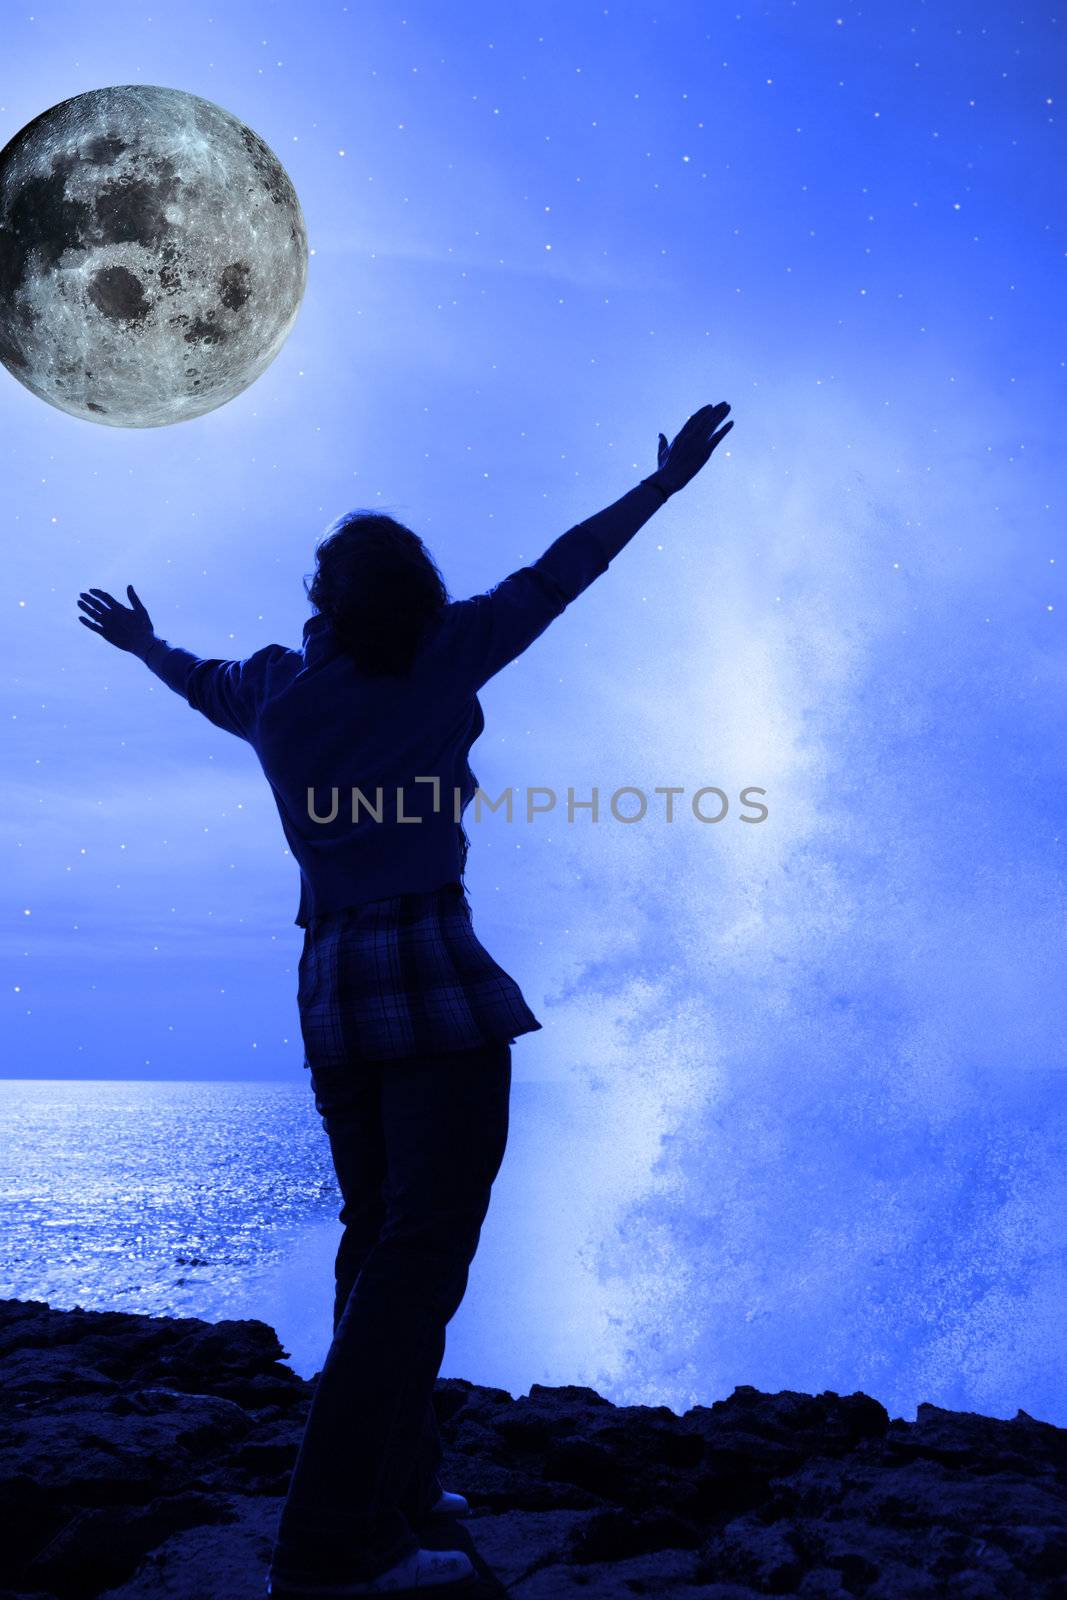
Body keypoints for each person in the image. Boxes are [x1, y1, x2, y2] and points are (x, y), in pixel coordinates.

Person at [75, 401, 735, 1598]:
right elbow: (557, 575)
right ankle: (333, 1543)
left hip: (329, 991)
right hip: (428, 978)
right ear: (410, 593)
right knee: (418, 1257)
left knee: (376, 1239)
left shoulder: (275, 691)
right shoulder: (441, 654)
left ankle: (400, 1478)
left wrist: (141, 645)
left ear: (324, 602)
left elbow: (196, 681)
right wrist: (662, 487)